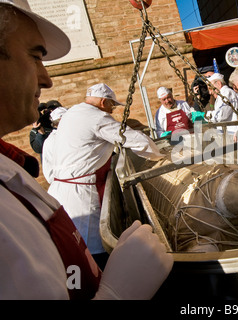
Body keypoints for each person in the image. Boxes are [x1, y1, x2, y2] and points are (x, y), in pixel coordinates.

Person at [0, 0, 172, 300]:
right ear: (104, 103)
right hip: (81, 200)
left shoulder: (12, 165)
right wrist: (116, 294)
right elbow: (136, 140)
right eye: (34, 56)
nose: (47, 79)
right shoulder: (93, 117)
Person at [42, 83, 167, 270]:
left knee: (69, 247)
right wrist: (161, 158)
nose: (112, 110)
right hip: (80, 194)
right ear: (103, 102)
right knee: (90, 251)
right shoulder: (97, 117)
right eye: (111, 106)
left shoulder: (73, 113)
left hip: (59, 192)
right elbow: (133, 139)